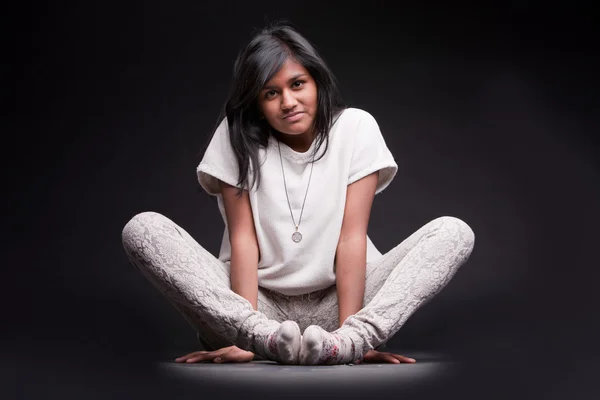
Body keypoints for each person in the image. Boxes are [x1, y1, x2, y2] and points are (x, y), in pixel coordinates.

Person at [121, 22, 475, 366]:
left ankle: (349, 342)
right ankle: (264, 341)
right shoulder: (236, 137)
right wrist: (243, 335)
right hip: (256, 309)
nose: (288, 102)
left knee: (453, 232)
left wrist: (349, 332)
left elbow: (351, 238)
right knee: (144, 229)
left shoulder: (355, 128)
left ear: (317, 82)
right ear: (257, 103)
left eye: (297, 84)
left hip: (337, 307)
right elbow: (244, 239)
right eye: (271, 93)